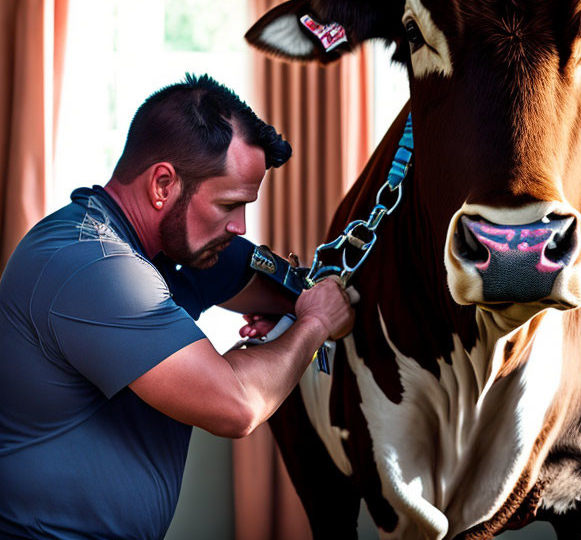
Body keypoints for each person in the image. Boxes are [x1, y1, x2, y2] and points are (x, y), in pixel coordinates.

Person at [0, 74, 355, 539]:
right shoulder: (91, 262)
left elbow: (298, 291)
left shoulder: (180, 247)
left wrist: (295, 313)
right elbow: (237, 406)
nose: (240, 226)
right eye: (228, 205)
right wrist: (312, 326)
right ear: (163, 184)